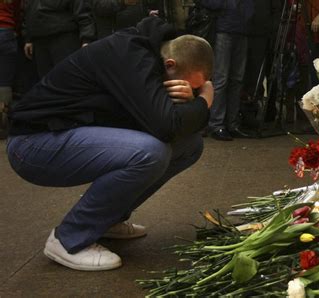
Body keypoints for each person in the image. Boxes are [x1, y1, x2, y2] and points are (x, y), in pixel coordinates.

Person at [6, 17, 214, 271]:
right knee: (150, 152)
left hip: (65, 134)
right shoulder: (132, 56)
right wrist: (204, 100)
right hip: (32, 144)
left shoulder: (151, 56)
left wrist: (194, 100)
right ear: (170, 64)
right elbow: (165, 125)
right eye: (185, 84)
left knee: (190, 145)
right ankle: (69, 238)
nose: (187, 92)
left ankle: (106, 220)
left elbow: (173, 126)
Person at [200, 0, 254, 141]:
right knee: (221, 79)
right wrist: (226, 5)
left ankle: (232, 124)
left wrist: (247, 14)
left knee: (237, 79)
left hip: (242, 30)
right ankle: (217, 125)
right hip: (223, 29)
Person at [23, 0, 96, 77]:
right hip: (39, 40)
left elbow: (83, 13)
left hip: (63, 38)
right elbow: (29, 10)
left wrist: (87, 39)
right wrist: (28, 38)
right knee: (46, 81)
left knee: (67, 78)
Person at [0, 0, 21, 139]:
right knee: (4, 83)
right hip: (7, 33)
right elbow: (18, 12)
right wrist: (17, 31)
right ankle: (3, 120)